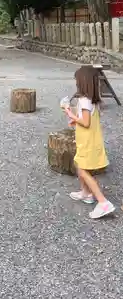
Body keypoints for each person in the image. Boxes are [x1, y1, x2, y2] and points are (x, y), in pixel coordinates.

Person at [64, 66, 115, 219]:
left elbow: (85, 122)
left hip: (87, 142)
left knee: (82, 170)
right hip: (90, 140)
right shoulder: (92, 100)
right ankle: (86, 193)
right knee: (81, 166)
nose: (76, 84)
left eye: (77, 81)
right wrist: (76, 121)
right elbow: (88, 121)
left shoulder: (84, 101)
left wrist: (69, 113)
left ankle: (103, 202)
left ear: (83, 82)